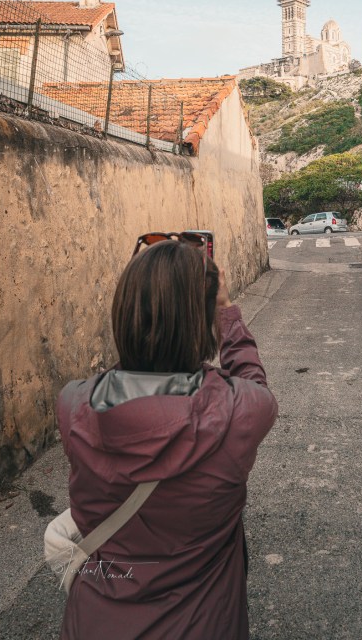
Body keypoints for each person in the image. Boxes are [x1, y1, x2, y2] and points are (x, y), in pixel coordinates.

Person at [56, 236, 278, 640]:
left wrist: (147, 310)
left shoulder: (72, 405)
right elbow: (254, 383)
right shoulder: (239, 412)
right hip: (203, 624)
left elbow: (120, 383)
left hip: (94, 622)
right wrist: (226, 312)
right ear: (200, 322)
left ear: (124, 313)